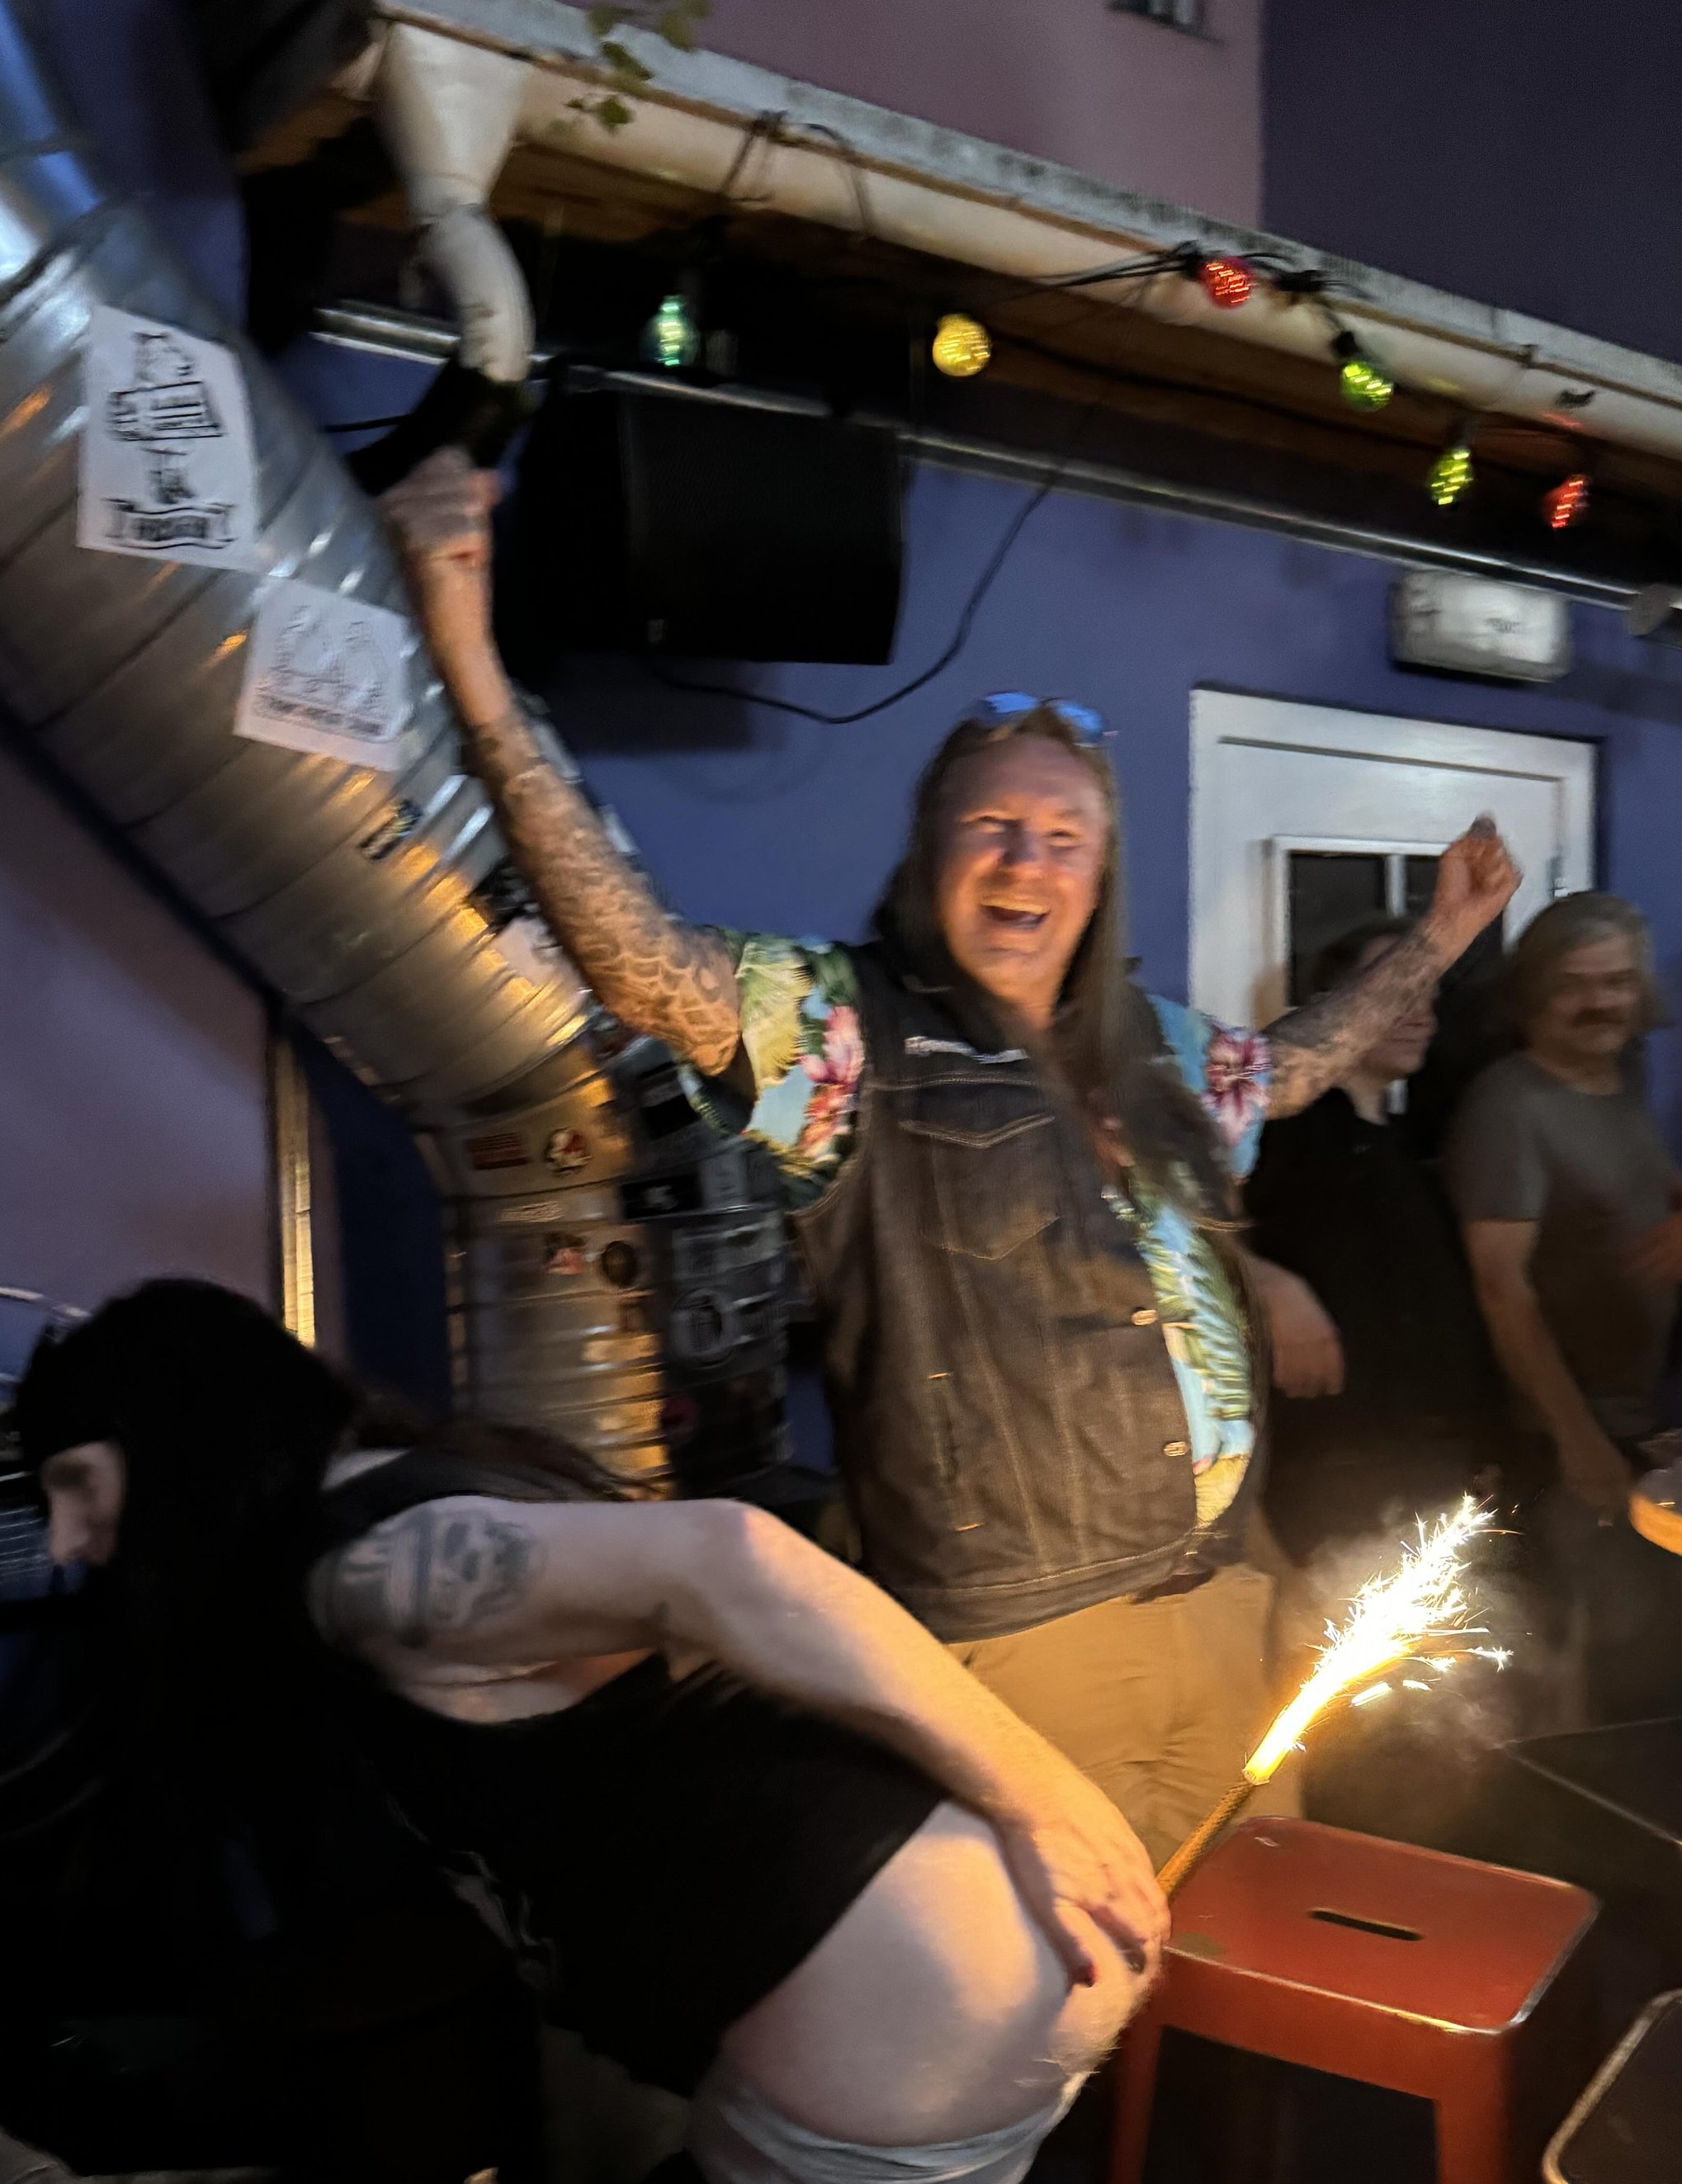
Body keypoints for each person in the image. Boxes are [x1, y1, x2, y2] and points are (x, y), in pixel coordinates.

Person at [380, 450, 1519, 1865]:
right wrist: (474, 674)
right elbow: (638, 961)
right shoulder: (847, 1032)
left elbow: (1291, 1066)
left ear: (1100, 877)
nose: (1024, 861)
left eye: (1061, 836)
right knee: (1056, 2028)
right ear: (929, 859)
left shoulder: (1158, 1047)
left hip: (1229, 1602)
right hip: (1030, 1646)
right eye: (990, 827)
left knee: (1229, 1981)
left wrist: (1440, 940)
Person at [15, 1280, 1160, 2184]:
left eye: (77, 1485)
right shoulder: (411, 1489)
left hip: (905, 2029)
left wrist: (1042, 1795)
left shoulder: (372, 1567)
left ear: (180, 1435)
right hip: (931, 2003)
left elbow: (735, 1555)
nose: (68, 1541)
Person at [1447, 895, 1682, 1715]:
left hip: (1650, 1427)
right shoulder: (1509, 1105)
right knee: (1604, 1680)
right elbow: (1500, 1287)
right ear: (1532, 994)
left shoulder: (1622, 1079)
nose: (1599, 1003)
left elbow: (1632, 1189)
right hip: (1571, 1446)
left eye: (1616, 981)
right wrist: (1578, 1443)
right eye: (1573, 985)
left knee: (1672, 1658)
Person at [1242, 917, 1505, 1567]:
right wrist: (1269, 1284)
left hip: (1426, 1472)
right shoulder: (1273, 1137)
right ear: (1333, 1009)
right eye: (1395, 994)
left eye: (1428, 997)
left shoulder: (1409, 1146)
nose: (1420, 1015)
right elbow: (1182, 1243)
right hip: (1328, 1475)